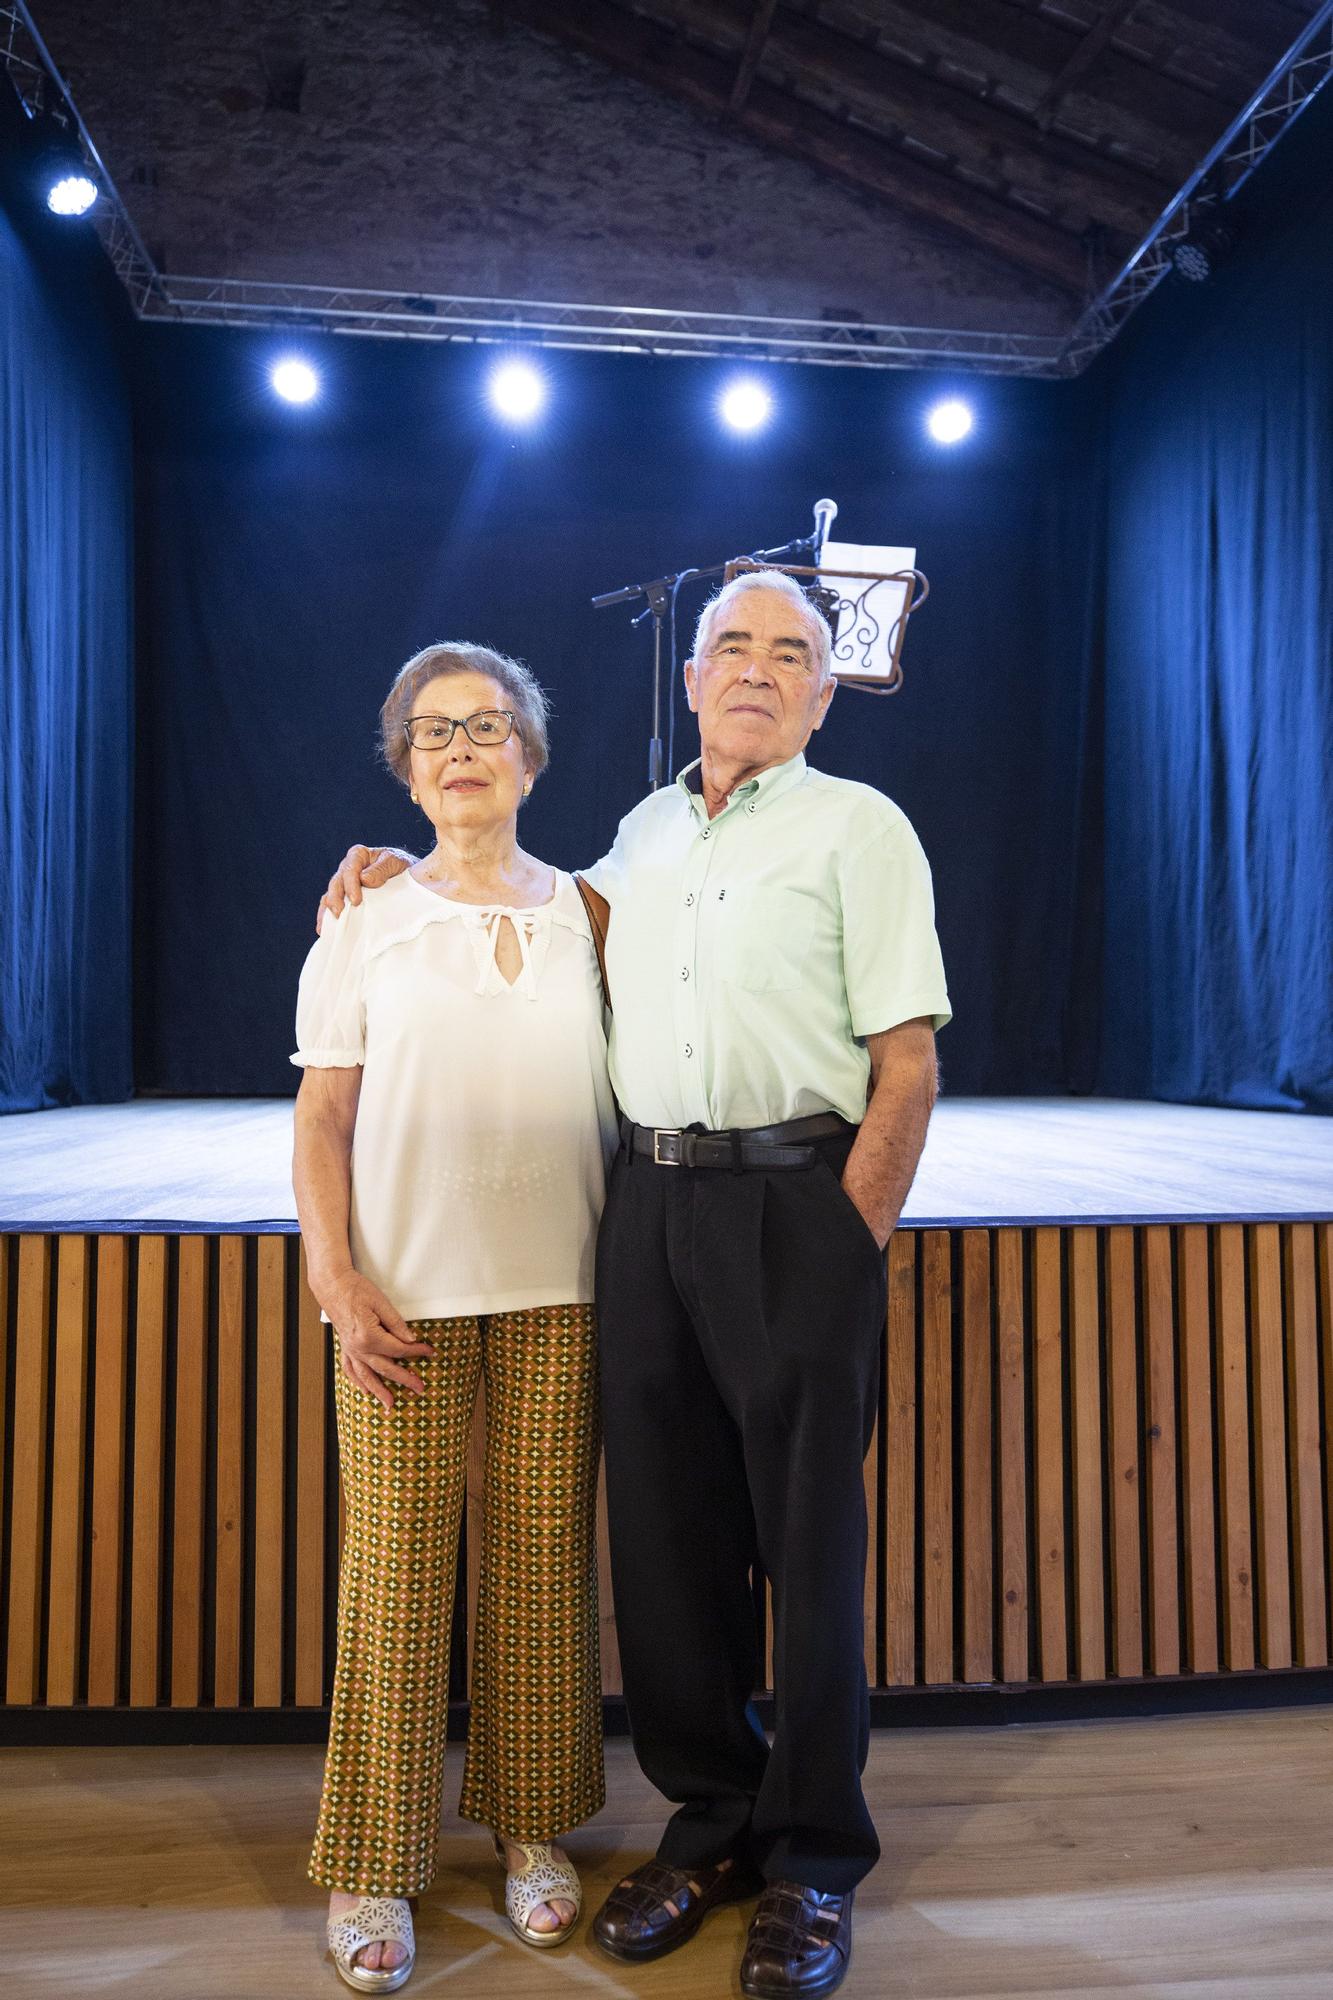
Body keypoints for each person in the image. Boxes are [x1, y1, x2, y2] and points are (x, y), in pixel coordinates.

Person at [323, 569, 950, 1999]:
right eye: (727, 642)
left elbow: (905, 1064)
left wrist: (846, 1240)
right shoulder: (641, 835)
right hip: (646, 1205)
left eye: (787, 651)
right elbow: (514, 901)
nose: (752, 667)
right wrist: (383, 862)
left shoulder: (863, 829)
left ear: (821, 685)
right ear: (686, 677)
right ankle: (712, 1822)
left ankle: (808, 1861)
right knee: (666, 1551)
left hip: (800, 1202)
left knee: (806, 1550)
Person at [294, 642, 617, 1993]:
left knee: (542, 1567)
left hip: (564, 1286)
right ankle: (374, 1860)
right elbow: (322, 1116)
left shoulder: (598, 915)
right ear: (405, 768)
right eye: (434, 733)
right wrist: (335, 1277)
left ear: (531, 759)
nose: (463, 748)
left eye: (488, 727)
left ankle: (532, 1833)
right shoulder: (360, 918)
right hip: (401, 1297)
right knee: (396, 1575)